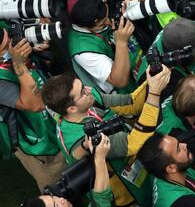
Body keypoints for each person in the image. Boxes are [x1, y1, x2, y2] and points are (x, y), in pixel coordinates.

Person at [41, 67, 171, 207]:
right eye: (82, 92)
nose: (89, 90)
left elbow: (129, 102)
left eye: (83, 85)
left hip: (140, 170)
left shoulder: (88, 99)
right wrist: (154, 93)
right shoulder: (78, 140)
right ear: (72, 109)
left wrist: (153, 78)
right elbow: (134, 142)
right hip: (127, 195)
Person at [0, 27, 66, 191]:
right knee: (59, 192)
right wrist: (19, 64)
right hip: (37, 143)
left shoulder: (11, 47)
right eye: (5, 47)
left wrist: (35, 51)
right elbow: (35, 105)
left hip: (57, 122)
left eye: (9, 39)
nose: (12, 46)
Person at [66, 0, 145, 95]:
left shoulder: (100, 7)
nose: (108, 22)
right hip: (131, 95)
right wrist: (121, 42)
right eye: (102, 23)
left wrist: (135, 6)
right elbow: (119, 81)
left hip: (144, 62)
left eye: (107, 16)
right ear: (85, 26)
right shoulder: (83, 50)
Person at [22, 136, 116, 207]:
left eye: (53, 197)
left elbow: (74, 166)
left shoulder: (59, 197)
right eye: (57, 205)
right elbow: (102, 201)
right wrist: (100, 159)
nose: (61, 199)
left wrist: (84, 144)